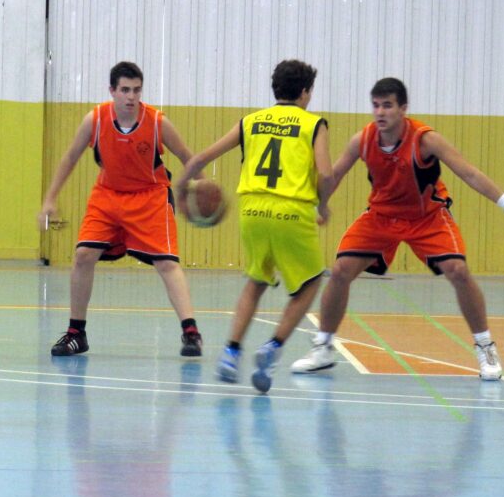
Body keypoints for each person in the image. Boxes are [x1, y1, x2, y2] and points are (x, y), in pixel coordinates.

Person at [291, 77, 504, 380]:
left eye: (387, 105)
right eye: (376, 105)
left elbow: (469, 172)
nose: (380, 112)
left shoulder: (425, 139)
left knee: (458, 270)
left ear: (403, 108)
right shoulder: (362, 140)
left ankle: (485, 347)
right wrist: (316, 207)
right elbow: (333, 175)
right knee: (339, 271)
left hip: (426, 216)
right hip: (381, 216)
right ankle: (323, 347)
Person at [175, 59, 333, 394]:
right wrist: (323, 204)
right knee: (310, 282)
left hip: (253, 211)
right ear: (305, 92)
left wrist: (181, 188)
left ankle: (231, 353)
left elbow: (201, 158)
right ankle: (273, 347)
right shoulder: (313, 124)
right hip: (292, 211)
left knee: (256, 281)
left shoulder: (251, 122)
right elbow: (326, 173)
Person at [38, 61, 203, 357]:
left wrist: (202, 184)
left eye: (137, 90)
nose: (131, 97)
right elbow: (70, 158)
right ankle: (76, 333)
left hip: (150, 195)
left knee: (167, 263)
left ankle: (191, 332)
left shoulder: (157, 122)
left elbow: (186, 155)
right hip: (108, 194)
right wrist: (50, 198)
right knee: (83, 255)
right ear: (112, 90)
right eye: (125, 90)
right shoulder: (96, 119)